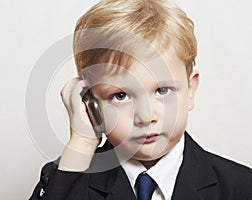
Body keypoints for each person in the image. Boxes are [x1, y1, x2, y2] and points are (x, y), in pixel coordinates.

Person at [29, 0, 252, 199]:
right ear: (89, 101)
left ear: (190, 90)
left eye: (163, 91)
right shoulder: (66, 178)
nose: (146, 117)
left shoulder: (240, 187)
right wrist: (82, 142)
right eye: (120, 95)